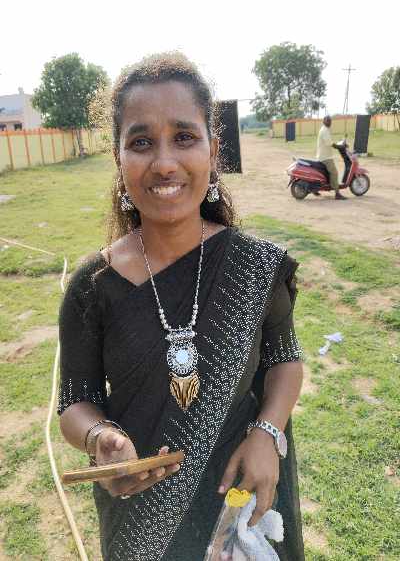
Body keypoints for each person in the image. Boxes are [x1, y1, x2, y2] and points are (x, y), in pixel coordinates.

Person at [58, 52, 305, 561]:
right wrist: (100, 438)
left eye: (185, 137)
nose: (165, 162)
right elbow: (76, 402)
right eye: (141, 142)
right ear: (118, 159)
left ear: (213, 150)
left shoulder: (255, 266)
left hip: (241, 497)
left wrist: (267, 432)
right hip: (141, 519)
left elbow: (285, 359)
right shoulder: (92, 287)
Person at [316, 115, 347, 200]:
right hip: (325, 157)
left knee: (327, 173)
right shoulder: (324, 130)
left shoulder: (325, 129)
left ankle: (316, 189)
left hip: (323, 155)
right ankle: (337, 194)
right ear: (324, 121)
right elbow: (330, 143)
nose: (329, 122)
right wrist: (339, 146)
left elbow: (330, 141)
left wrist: (339, 144)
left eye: (330, 121)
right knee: (334, 173)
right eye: (327, 121)